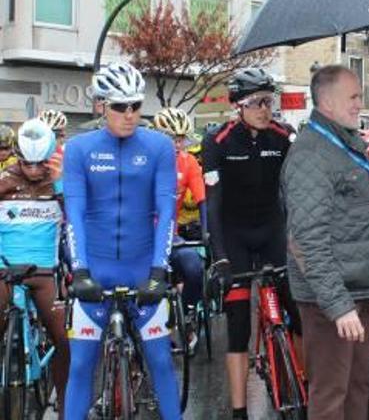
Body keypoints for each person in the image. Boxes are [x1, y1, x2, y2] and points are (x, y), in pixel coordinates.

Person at [64, 62, 180, 420]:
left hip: (143, 267)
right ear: (101, 105)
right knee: (81, 364)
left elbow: (166, 211)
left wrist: (159, 271)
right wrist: (80, 270)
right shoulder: (79, 149)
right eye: (119, 106)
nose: (129, 115)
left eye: (135, 105)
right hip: (95, 269)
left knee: (161, 359)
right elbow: (75, 214)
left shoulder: (159, 146)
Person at [282, 65, 369, 420]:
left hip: (357, 289)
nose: (360, 103)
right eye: (354, 96)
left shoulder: (342, 142)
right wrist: (338, 305)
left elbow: (351, 202)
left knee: (357, 389)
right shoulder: (311, 154)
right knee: (331, 396)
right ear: (327, 102)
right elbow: (306, 239)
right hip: (331, 299)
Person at [201, 68, 299, 420]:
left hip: (273, 229)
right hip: (235, 235)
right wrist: (221, 258)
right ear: (239, 106)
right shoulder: (218, 141)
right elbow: (212, 203)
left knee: (298, 312)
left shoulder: (284, 136)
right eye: (257, 102)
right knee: (238, 326)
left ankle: (302, 385)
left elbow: (299, 189)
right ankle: (240, 411)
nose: (265, 109)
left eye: (269, 101)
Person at [0, 119, 68, 417]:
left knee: (66, 340)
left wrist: (62, 183)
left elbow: (80, 217)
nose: (33, 170)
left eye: (40, 164)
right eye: (27, 163)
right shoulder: (4, 178)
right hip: (4, 271)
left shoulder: (60, 179)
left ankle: (68, 405)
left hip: (44, 272)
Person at [153, 107, 206, 353]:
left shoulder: (188, 161)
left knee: (195, 267)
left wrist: (207, 232)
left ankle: (186, 316)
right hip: (140, 237)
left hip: (169, 236)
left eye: (181, 138)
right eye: (172, 137)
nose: (177, 144)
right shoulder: (143, 158)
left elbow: (202, 198)